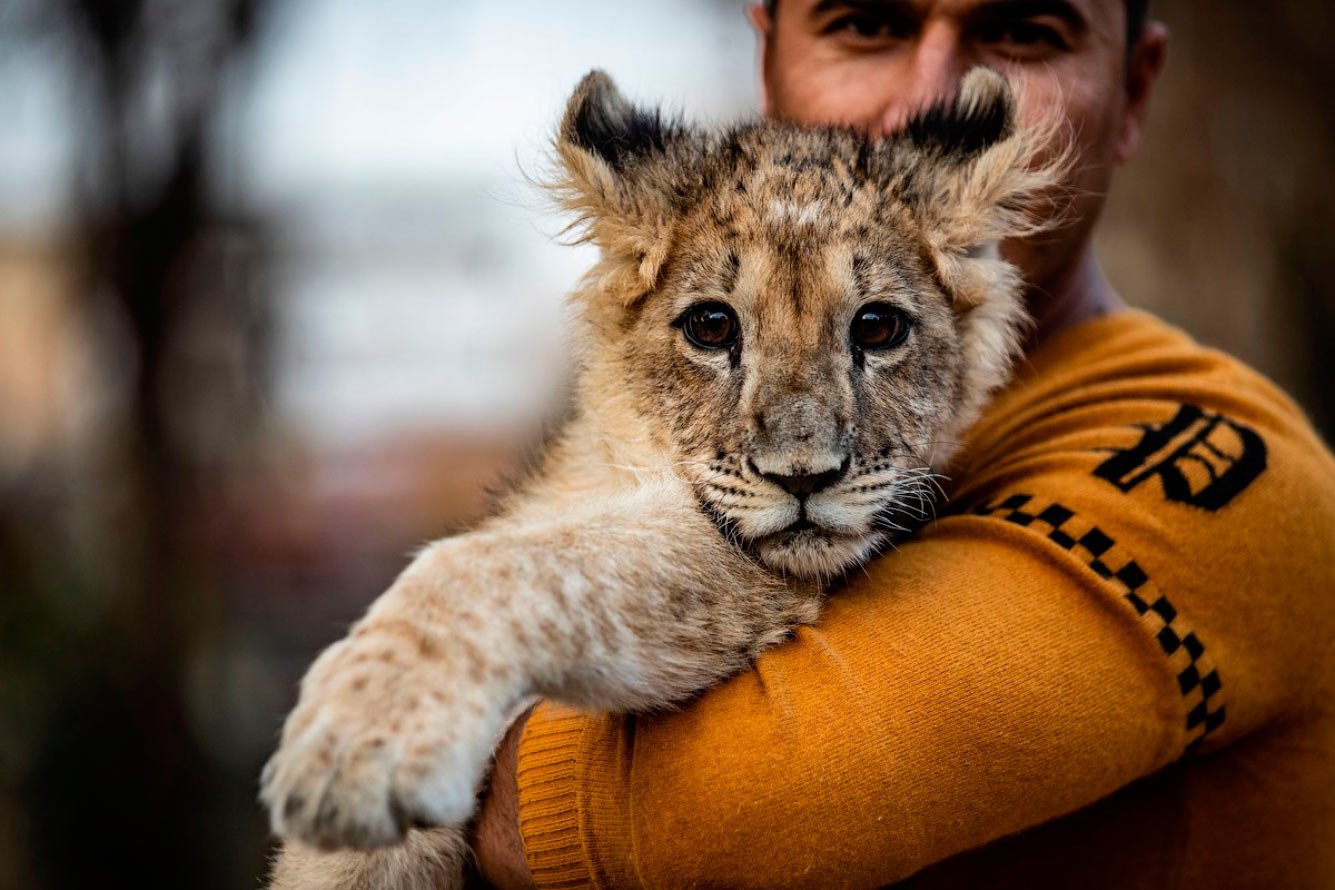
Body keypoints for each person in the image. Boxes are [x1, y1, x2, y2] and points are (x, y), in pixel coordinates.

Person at [471, 1, 1335, 887]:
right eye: (867, 24)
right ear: (768, 62)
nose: (925, 94)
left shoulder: (1226, 470)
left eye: (1025, 32)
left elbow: (738, 812)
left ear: (1135, 90)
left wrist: (436, 737)